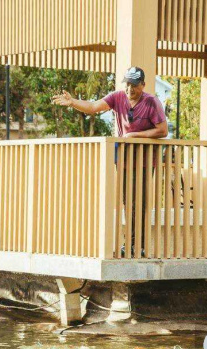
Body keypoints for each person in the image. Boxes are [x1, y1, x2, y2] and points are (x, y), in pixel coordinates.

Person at [52, 67, 168, 257]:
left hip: (145, 161)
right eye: (127, 84)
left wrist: (135, 135)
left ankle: (137, 244)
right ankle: (131, 244)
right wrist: (73, 102)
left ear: (143, 85)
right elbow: (93, 107)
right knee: (128, 202)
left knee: (138, 202)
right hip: (124, 159)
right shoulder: (117, 97)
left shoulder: (151, 102)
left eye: (134, 85)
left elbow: (162, 130)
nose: (130, 88)